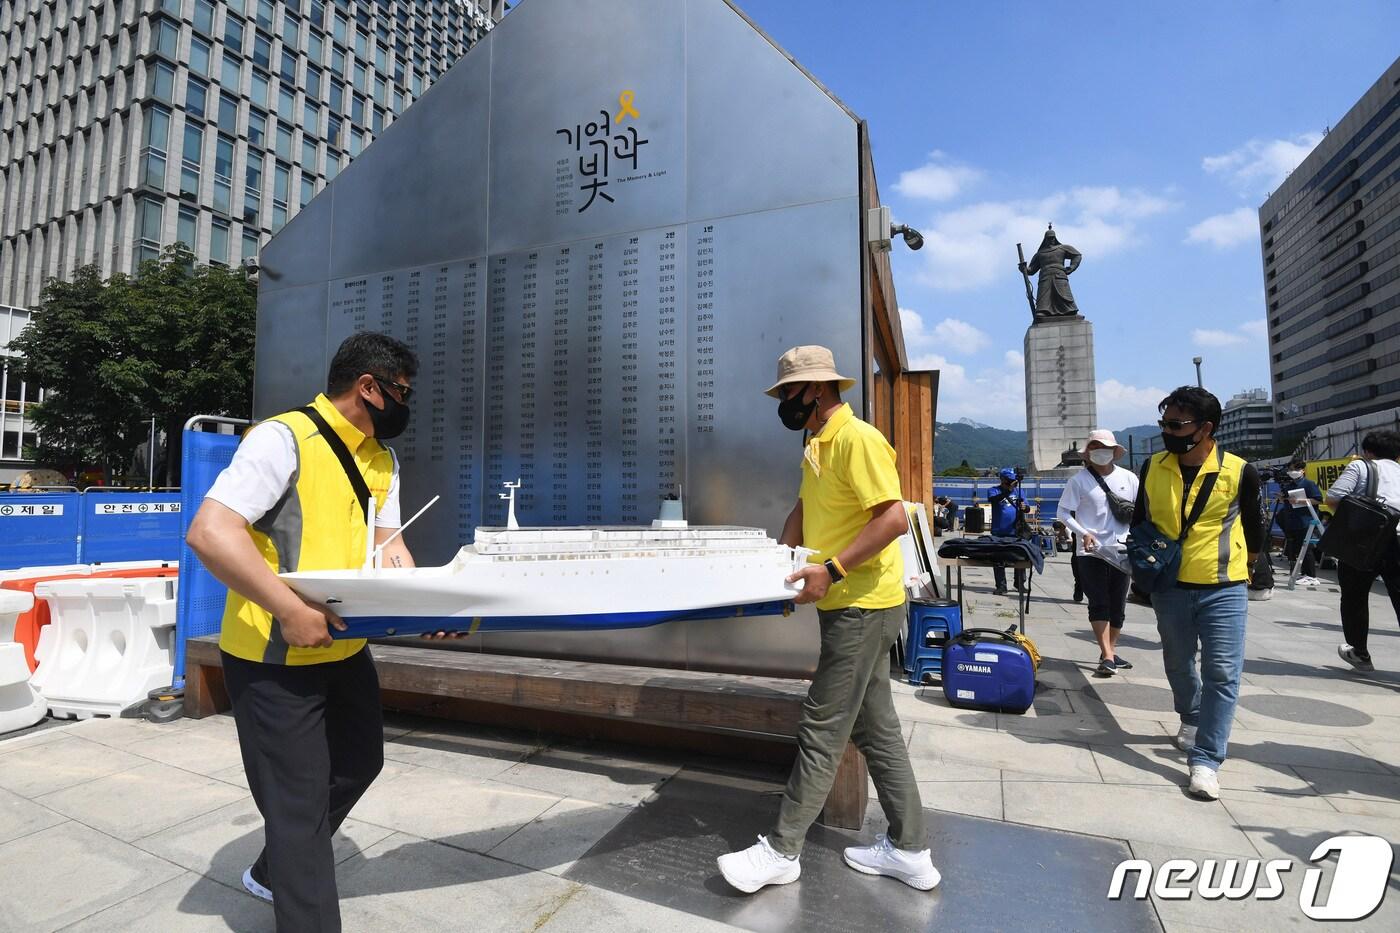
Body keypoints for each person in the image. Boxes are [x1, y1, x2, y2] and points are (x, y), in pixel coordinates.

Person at [186, 333, 419, 932]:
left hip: (344, 648)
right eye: (401, 392)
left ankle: (272, 867)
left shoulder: (382, 459)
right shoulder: (282, 438)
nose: (405, 404)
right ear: (369, 386)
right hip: (271, 654)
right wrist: (286, 607)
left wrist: (427, 606)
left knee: (361, 762)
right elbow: (212, 533)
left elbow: (386, 546)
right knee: (299, 807)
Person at [717, 345, 936, 894]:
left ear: (815, 389)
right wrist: (778, 563)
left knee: (822, 725)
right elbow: (803, 511)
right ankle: (910, 851)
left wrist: (831, 570)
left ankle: (782, 850)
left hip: (863, 603)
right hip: (850, 604)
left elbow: (892, 519)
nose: (783, 403)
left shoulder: (856, 439)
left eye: (788, 392)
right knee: (876, 728)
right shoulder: (818, 442)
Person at [1133, 386, 1262, 801]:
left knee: (1222, 673)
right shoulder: (1152, 467)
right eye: (1164, 424)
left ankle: (1207, 760)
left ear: (1205, 428)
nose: (1168, 432)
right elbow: (1141, 522)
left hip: (1223, 586)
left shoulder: (1240, 471)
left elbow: (1256, 531)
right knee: (1177, 660)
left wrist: (1244, 569)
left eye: (1176, 424)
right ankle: (1190, 714)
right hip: (1169, 586)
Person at [1057, 430, 1139, 676]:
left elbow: (1142, 512)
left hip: (1122, 549)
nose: (1099, 451)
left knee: (1118, 604)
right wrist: (1083, 532)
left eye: (1103, 446)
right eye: (1094, 447)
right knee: (1099, 601)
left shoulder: (1130, 478)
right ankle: (1107, 653)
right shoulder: (1079, 481)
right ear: (1088, 453)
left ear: (1115, 451)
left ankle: (1109, 653)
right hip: (1091, 551)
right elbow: (1063, 513)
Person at [1325, 430, 1400, 673]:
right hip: (1398, 539)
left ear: (1368, 451)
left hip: (1365, 542)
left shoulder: (1362, 467)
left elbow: (1333, 498)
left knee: (1354, 597)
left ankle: (1360, 652)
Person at [1275, 458, 1323, 586]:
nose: (1292, 472)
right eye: (1290, 469)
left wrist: (1300, 501)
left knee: (1305, 548)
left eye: (1295, 469)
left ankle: (1311, 575)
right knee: (1297, 548)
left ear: (1302, 470)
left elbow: (1318, 500)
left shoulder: (1308, 484)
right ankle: (1304, 573)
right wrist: (1282, 498)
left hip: (1305, 520)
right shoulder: (1289, 486)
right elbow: (1286, 500)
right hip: (1292, 521)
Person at [988, 467, 1030, 595]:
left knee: (1020, 558)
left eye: (1013, 480)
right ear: (1002, 479)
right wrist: (1008, 490)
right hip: (999, 531)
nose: (1012, 482)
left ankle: (1019, 583)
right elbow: (993, 500)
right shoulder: (993, 490)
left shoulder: (1019, 491)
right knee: (998, 559)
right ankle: (1001, 585)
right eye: (1009, 480)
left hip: (1016, 531)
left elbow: (1027, 508)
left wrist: (1025, 507)